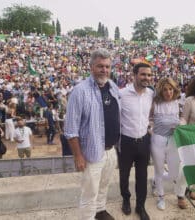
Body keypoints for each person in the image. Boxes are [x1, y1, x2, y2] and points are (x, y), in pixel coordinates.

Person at [64, 49, 120, 220]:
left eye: (107, 66)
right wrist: (78, 156)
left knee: (104, 186)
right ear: (91, 67)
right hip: (92, 152)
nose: (104, 70)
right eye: (100, 66)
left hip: (111, 150)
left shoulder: (113, 87)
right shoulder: (80, 91)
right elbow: (71, 129)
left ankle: (100, 211)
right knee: (90, 192)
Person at [118, 62, 153, 220]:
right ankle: (126, 199)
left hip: (144, 141)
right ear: (134, 75)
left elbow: (151, 115)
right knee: (124, 175)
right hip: (126, 141)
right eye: (143, 74)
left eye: (149, 75)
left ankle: (140, 205)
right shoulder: (122, 94)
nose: (147, 78)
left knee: (142, 175)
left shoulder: (151, 94)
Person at [149, 77, 188, 210]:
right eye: (165, 89)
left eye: (170, 89)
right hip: (158, 139)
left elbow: (183, 118)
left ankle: (154, 181)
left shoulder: (178, 103)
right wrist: (150, 127)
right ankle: (161, 196)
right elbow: (148, 119)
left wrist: (181, 124)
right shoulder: (155, 103)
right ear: (161, 91)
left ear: (174, 89)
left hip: (173, 140)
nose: (168, 92)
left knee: (174, 173)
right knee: (159, 170)